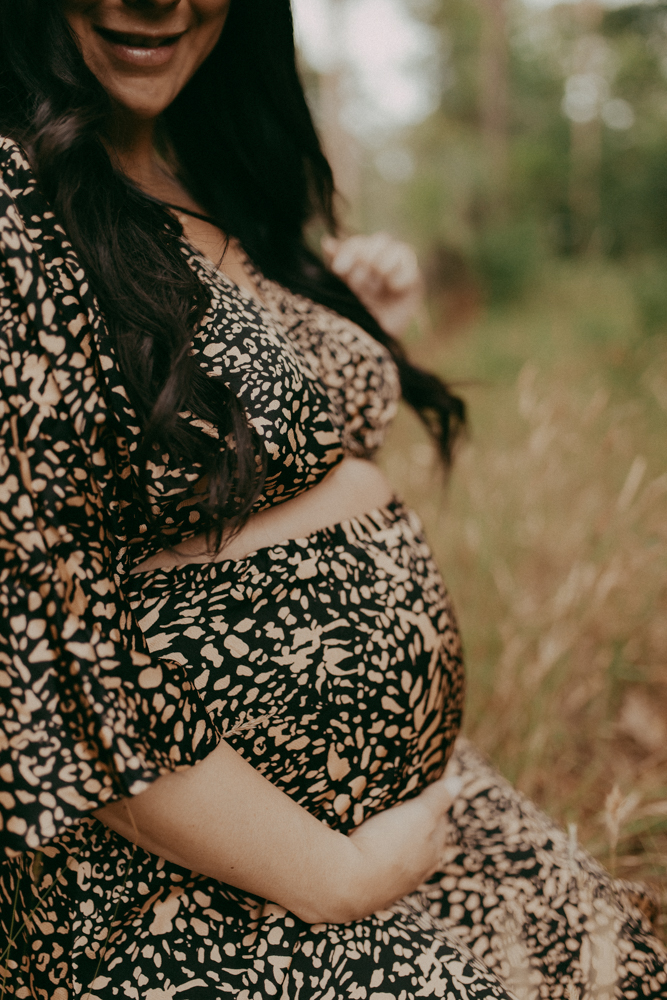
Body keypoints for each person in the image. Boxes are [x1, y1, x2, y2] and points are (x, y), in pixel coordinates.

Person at [0, 1, 664, 997]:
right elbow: (35, 635)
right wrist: (335, 877)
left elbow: (241, 482)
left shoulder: (199, 163)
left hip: (399, 812)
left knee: (618, 973)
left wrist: (348, 328)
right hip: (186, 890)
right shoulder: (16, 200)